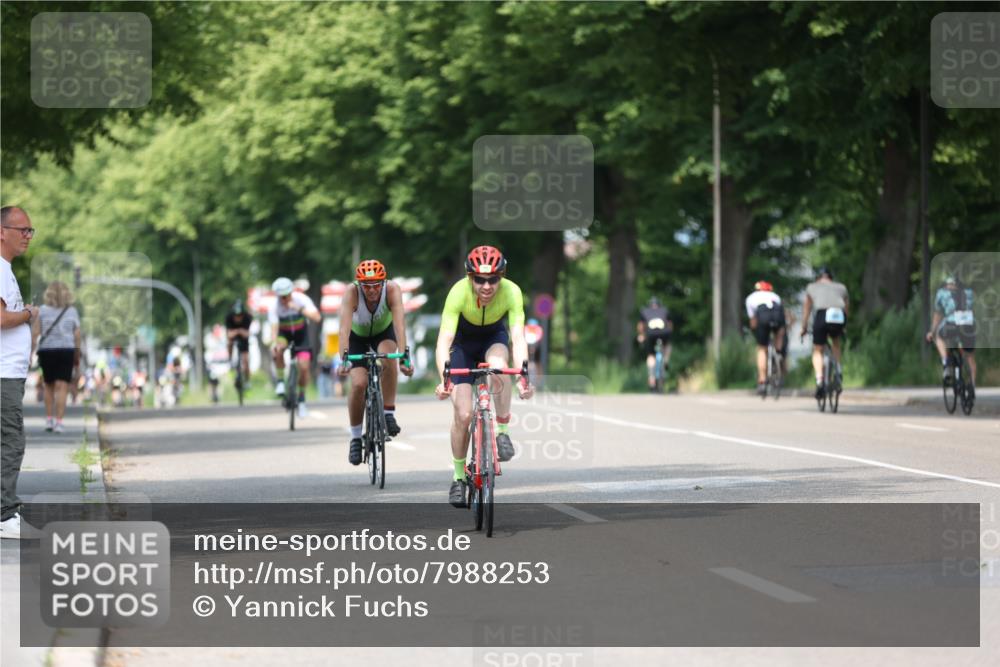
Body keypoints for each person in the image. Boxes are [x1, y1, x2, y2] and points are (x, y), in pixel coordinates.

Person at [434, 245, 534, 507]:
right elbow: (444, 341)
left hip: (493, 338)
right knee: (464, 414)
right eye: (479, 279)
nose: (487, 286)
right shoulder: (458, 292)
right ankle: (458, 478)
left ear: (502, 277)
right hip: (462, 346)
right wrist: (444, 379)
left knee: (499, 366)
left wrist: (524, 377)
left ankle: (502, 430)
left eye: (493, 279)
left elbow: (518, 338)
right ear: (470, 278)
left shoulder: (512, 292)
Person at [338, 260, 413, 465]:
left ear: (383, 282)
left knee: (388, 358)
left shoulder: (392, 290)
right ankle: (355, 437)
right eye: (367, 286)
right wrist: (344, 359)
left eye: (376, 285)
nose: (371, 290)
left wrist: (405, 358)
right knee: (359, 384)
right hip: (356, 339)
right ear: (360, 284)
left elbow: (399, 326)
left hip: (383, 334)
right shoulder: (351, 292)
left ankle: (388, 412)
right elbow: (343, 330)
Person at [1, 206, 40, 539]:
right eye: (22, 229)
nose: (28, 236)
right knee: (11, 442)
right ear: (2, 232)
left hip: (8, 373)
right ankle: (5, 516)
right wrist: (28, 314)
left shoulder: (6, 270)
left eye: (30, 230)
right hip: (3, 375)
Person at [32, 280, 81, 433]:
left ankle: (49, 420)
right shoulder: (72, 311)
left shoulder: (42, 310)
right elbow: (77, 334)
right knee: (62, 387)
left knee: (48, 385)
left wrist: (31, 351)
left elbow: (36, 333)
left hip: (47, 351)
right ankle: (59, 422)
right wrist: (77, 353)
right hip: (66, 351)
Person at [268, 277, 321, 418]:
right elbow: (274, 329)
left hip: (301, 336)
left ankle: (302, 399)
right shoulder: (274, 306)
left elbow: (317, 317)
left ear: (291, 292)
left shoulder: (301, 299)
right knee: (277, 349)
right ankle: (280, 381)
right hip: (284, 334)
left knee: (304, 367)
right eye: (281, 297)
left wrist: (299, 308)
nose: (283, 300)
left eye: (286, 296)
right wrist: (274, 343)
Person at [800, 267, 849, 399]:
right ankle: (838, 369)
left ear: (818, 278)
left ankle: (820, 379)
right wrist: (844, 326)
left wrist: (804, 327)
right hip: (839, 315)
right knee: (836, 342)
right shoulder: (841, 287)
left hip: (822, 315)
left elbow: (807, 308)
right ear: (831, 278)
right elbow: (846, 307)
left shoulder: (812, 287)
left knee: (818, 349)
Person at [926, 274, 976, 389]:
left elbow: (938, 315)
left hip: (952, 324)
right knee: (970, 356)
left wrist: (932, 332)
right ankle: (972, 385)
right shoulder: (969, 293)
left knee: (939, 336)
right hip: (969, 325)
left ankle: (946, 362)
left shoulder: (942, 293)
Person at [745, 280, 786, 396]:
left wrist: (756, 333)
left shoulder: (751, 298)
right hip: (777, 316)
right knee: (779, 333)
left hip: (763, 316)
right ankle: (778, 353)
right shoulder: (775, 296)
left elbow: (753, 321)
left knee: (762, 349)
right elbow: (782, 316)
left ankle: (762, 380)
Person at [636, 296, 673, 390]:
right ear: (659, 305)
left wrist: (641, 335)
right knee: (667, 346)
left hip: (650, 334)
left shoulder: (645, 311)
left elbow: (641, 326)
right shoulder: (664, 310)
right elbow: (670, 325)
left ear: (650, 305)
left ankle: (651, 379)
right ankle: (666, 360)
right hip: (664, 333)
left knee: (651, 355)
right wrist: (669, 333)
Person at [225, 299, 252, 386]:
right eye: (236, 315)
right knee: (229, 343)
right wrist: (238, 331)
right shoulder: (229, 318)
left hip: (243, 338)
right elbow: (229, 334)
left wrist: (239, 331)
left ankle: (247, 380)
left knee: (246, 360)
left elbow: (247, 334)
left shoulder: (247, 317)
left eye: (240, 315)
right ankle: (230, 359)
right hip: (233, 336)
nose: (238, 317)